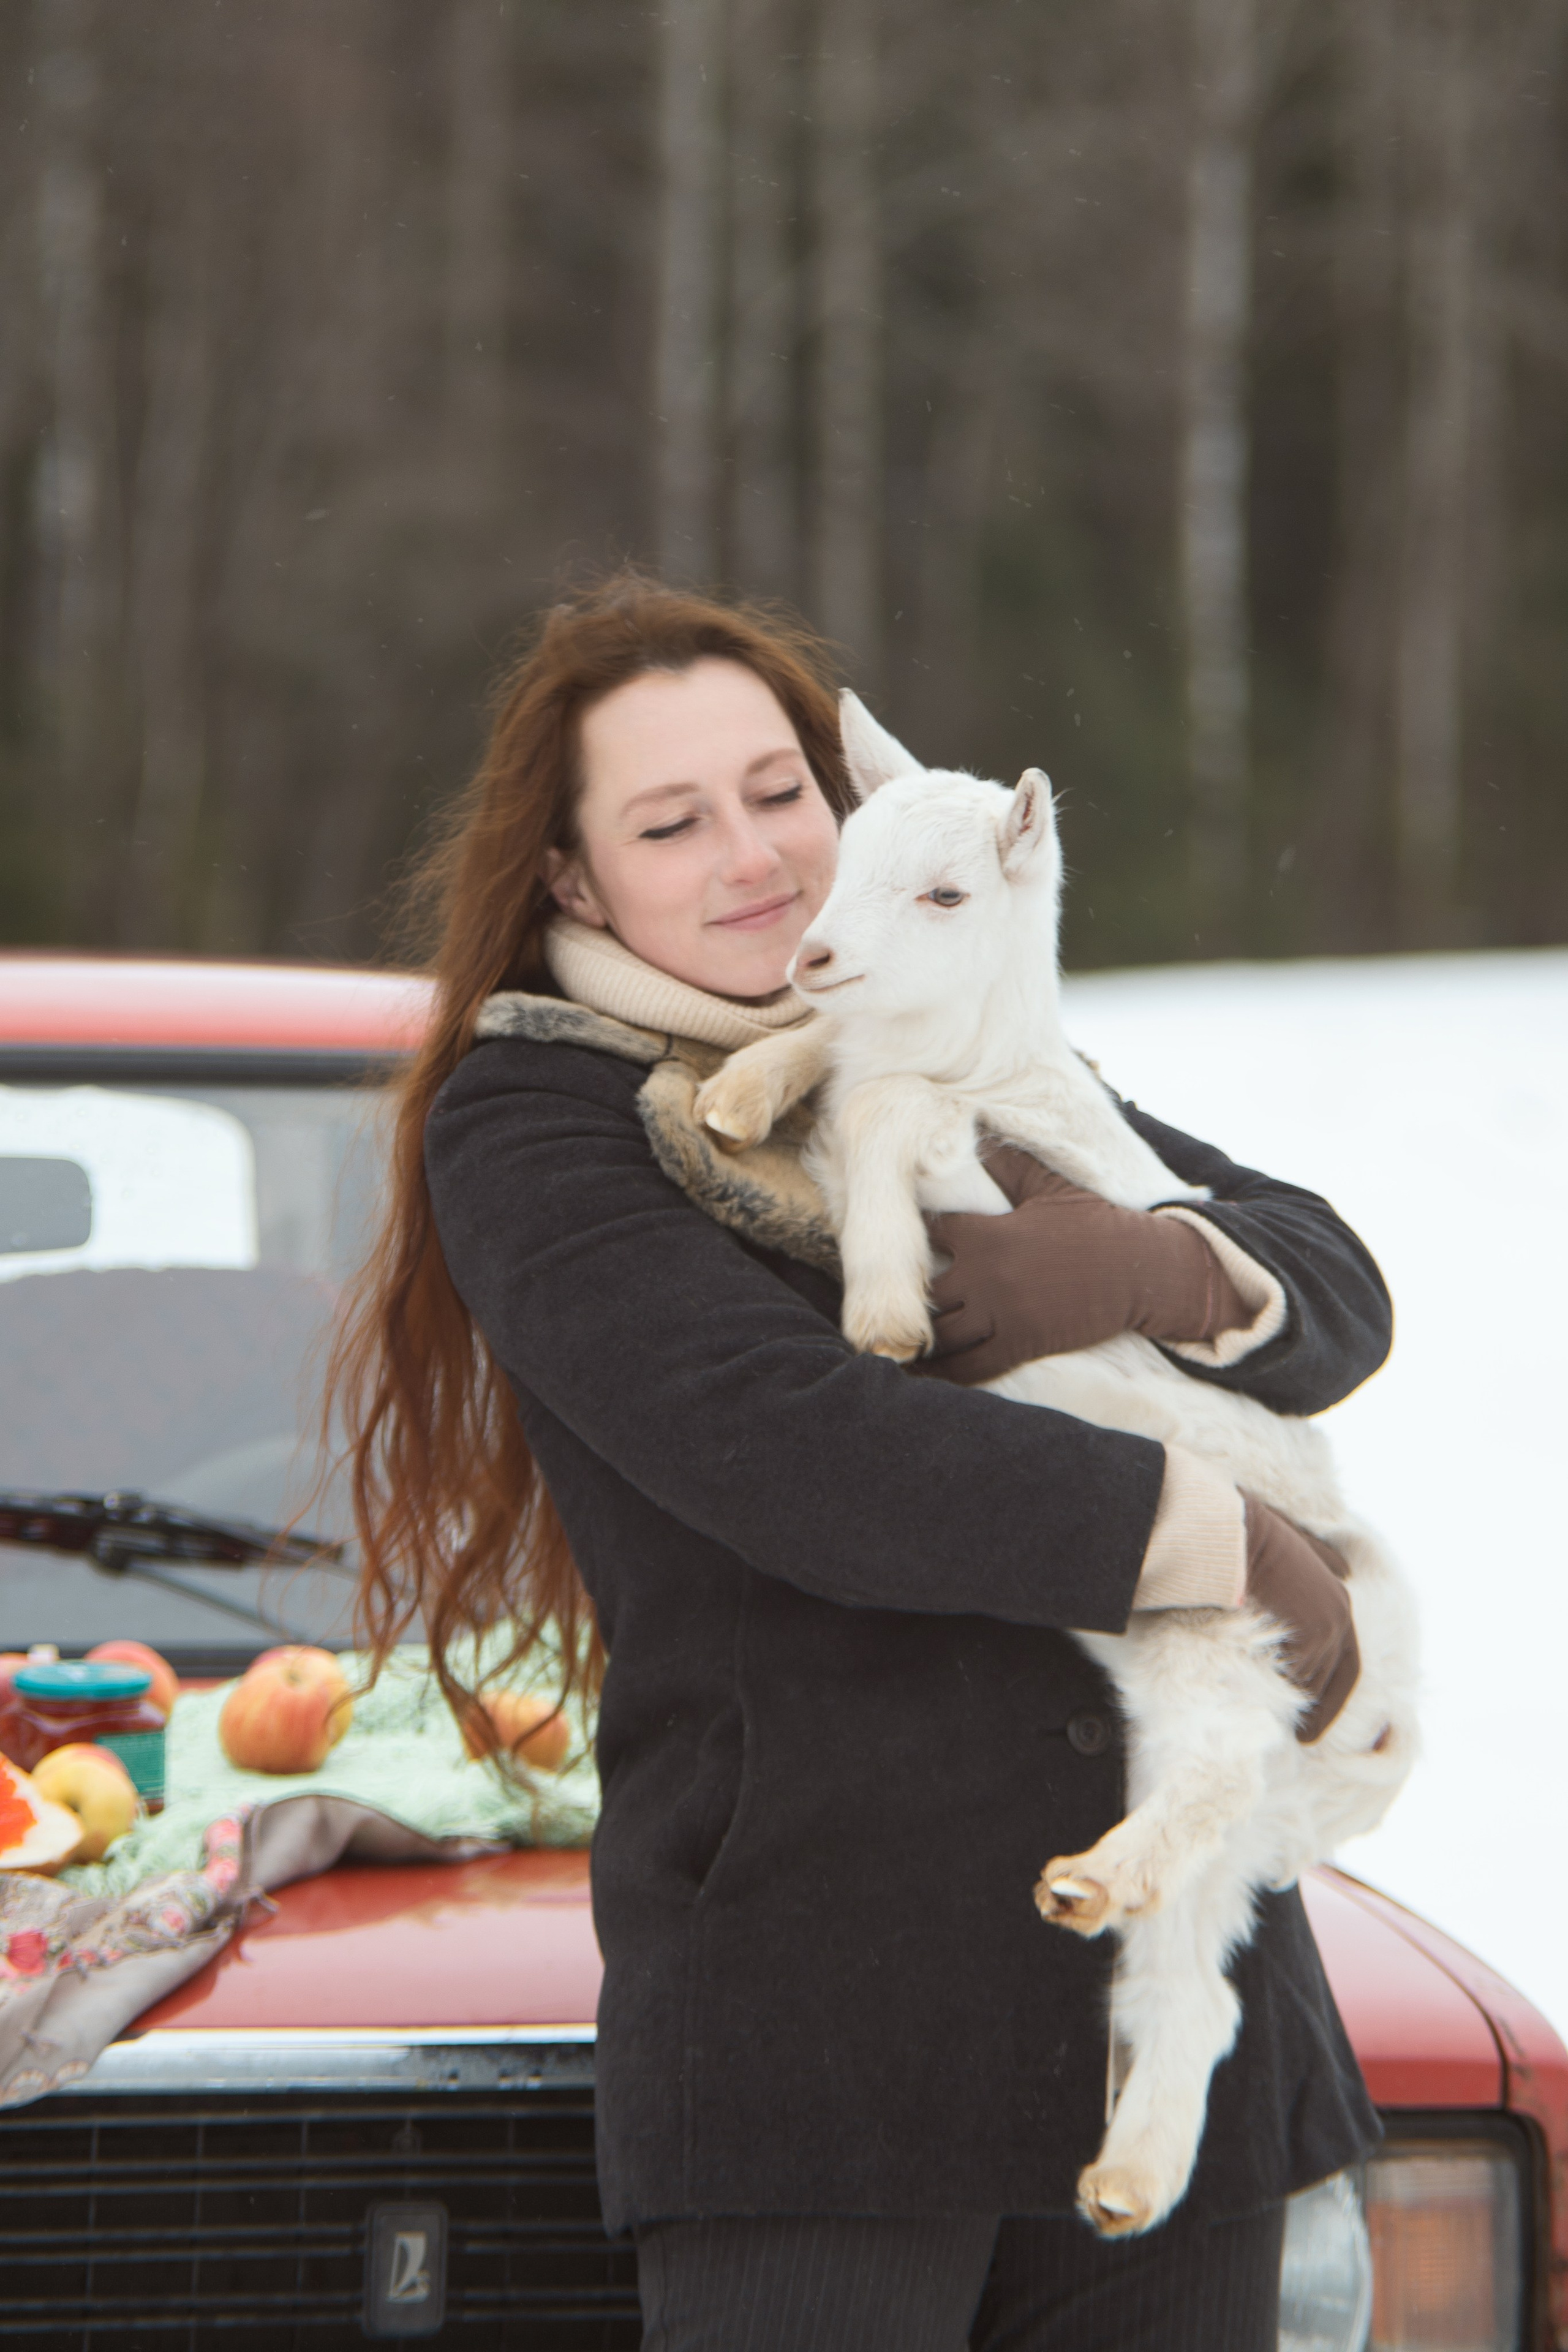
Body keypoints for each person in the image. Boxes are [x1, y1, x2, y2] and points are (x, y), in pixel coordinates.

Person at [335, 575, 1388, 2351]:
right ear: (576, 882)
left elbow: (1338, 1293)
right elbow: (803, 1456)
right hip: (829, 2053)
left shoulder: (945, 1029)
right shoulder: (542, 1124)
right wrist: (1225, 1540)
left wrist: (1160, 1263)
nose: (758, 858)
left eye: (781, 792)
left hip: (1166, 2032)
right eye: (673, 823)